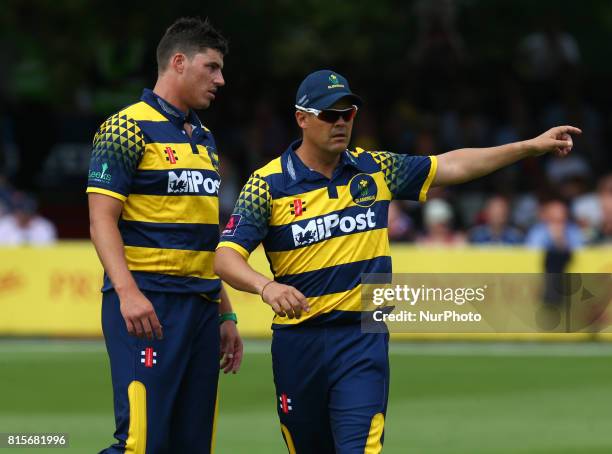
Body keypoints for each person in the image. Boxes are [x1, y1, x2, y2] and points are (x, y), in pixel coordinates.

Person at [214, 69, 580, 453]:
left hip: (362, 337)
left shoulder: (375, 168)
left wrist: (529, 147)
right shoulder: (267, 184)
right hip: (298, 343)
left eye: (348, 114)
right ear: (301, 118)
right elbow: (225, 257)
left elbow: (451, 165)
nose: (340, 123)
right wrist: (266, 286)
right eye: (329, 115)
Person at [87, 17, 242, 454]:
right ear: (178, 62)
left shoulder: (206, 139)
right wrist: (127, 292)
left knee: (192, 445)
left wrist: (225, 313)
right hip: (148, 303)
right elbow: (101, 220)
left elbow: (205, 236)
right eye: (211, 67)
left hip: (201, 308)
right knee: (141, 444)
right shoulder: (125, 128)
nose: (221, 79)